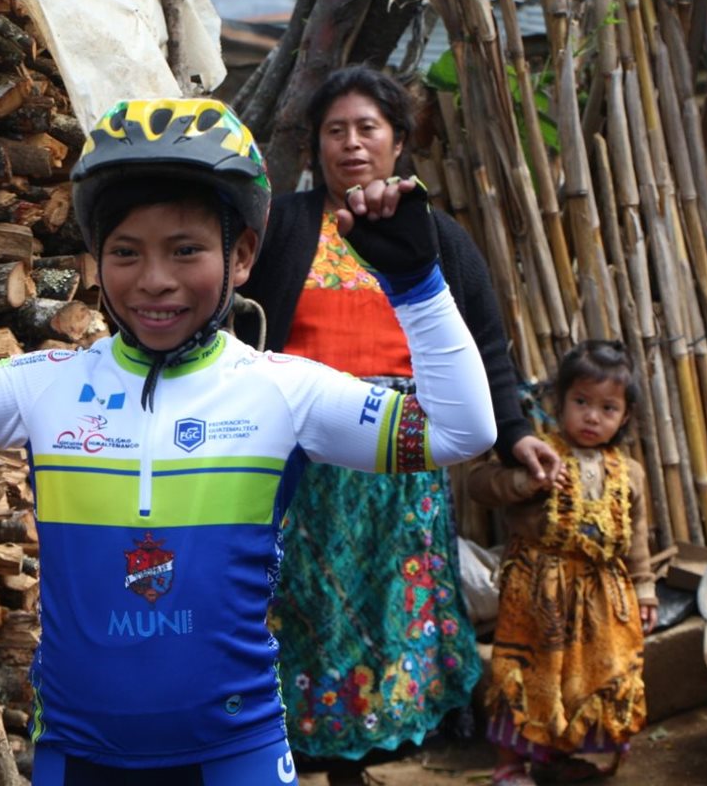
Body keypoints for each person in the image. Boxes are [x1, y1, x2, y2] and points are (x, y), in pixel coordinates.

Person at [0, 97, 497, 785]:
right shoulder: (47, 384)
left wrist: (418, 286)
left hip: (234, 753)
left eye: (187, 250)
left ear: (241, 255)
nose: (154, 279)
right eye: (126, 252)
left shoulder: (283, 390)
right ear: (96, 258)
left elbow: (461, 430)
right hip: (78, 755)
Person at [236, 64, 559, 759]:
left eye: (367, 128)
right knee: (299, 591)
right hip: (302, 448)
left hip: (405, 450)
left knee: (396, 592)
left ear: (399, 143)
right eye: (335, 130)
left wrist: (516, 436)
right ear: (317, 144)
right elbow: (236, 325)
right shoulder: (283, 226)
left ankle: (395, 725)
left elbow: (486, 348)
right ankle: (299, 725)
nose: (351, 144)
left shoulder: (436, 236)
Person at [466, 340, 658, 785]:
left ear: (624, 416)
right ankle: (510, 766)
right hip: (538, 595)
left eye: (608, 408)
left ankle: (559, 756)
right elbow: (479, 483)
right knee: (530, 674)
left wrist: (645, 590)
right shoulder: (536, 452)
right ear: (560, 401)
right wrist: (522, 481)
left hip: (600, 601)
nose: (593, 416)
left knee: (588, 677)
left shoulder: (629, 472)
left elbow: (638, 540)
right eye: (581, 402)